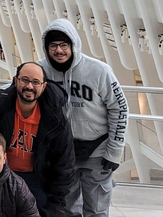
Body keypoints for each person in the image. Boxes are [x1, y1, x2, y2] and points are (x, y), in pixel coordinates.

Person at [38, 19, 128, 217]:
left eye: (64, 45)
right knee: (67, 208)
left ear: (73, 45)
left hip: (97, 150)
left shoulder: (99, 71)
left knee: (96, 210)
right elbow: (18, 89)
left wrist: (114, 152)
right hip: (61, 152)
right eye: (53, 46)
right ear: (46, 47)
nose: (59, 50)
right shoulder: (40, 70)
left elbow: (120, 108)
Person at [0, 62, 74, 217]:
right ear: (15, 81)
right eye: (24, 80)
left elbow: (64, 162)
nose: (29, 86)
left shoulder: (55, 118)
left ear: (44, 86)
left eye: (36, 82)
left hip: (36, 179)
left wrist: (56, 203)